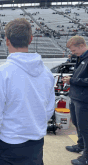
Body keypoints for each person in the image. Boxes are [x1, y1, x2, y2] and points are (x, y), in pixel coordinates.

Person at [0, 18, 55, 165]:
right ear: (31, 39)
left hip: (8, 143)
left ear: (7, 40)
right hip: (36, 143)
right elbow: (48, 109)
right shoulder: (46, 72)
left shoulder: (1, 73)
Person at [62, 35, 88, 165]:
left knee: (85, 127)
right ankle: (81, 145)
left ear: (82, 46)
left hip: (84, 99)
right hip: (76, 96)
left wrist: (72, 80)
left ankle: (86, 157)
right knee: (78, 124)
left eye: (74, 50)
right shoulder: (80, 57)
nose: (73, 53)